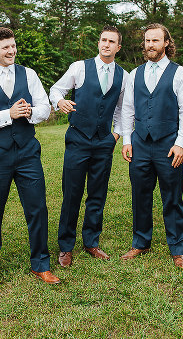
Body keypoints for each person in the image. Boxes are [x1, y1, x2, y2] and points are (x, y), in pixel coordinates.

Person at [0, 27, 60, 289]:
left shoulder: (28, 74)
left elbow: (44, 107)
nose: (11, 51)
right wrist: (8, 114)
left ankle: (41, 264)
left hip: (28, 152)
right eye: (5, 47)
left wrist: (29, 113)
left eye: (13, 46)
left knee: (37, 208)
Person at [49, 26, 128, 267]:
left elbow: (123, 109)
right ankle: (65, 246)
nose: (106, 44)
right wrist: (60, 101)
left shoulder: (124, 75)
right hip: (78, 139)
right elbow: (56, 89)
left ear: (118, 47)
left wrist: (116, 135)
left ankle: (91, 241)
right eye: (103, 40)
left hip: (104, 142)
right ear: (99, 43)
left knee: (97, 194)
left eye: (111, 41)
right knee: (71, 193)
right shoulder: (79, 67)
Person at [118, 23, 183, 268]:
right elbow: (128, 109)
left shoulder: (179, 73)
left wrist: (181, 143)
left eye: (155, 40)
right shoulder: (135, 74)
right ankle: (140, 242)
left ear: (166, 43)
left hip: (168, 145)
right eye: (147, 41)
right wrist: (128, 140)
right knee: (140, 195)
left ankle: (177, 246)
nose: (150, 45)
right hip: (140, 143)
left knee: (172, 196)